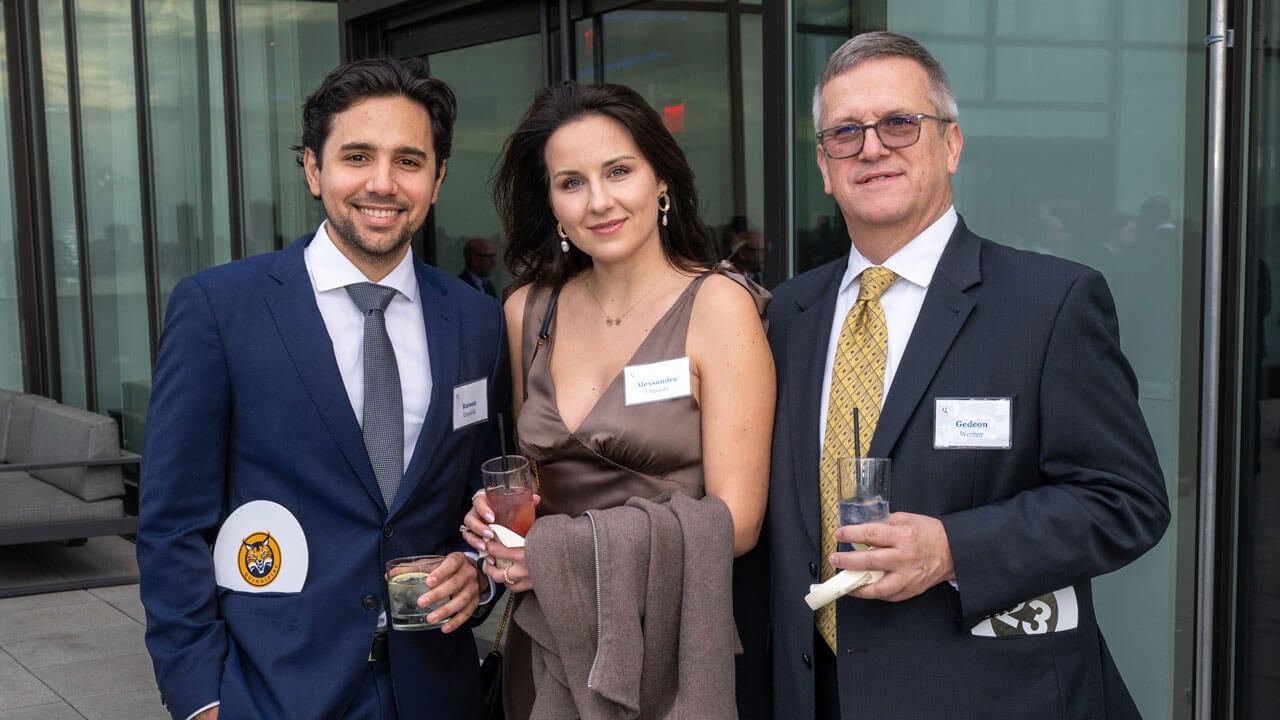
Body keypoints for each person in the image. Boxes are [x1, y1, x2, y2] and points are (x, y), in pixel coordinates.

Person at [759, 31, 1170, 720]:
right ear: (825, 168)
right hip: (816, 695)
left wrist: (954, 549)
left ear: (950, 146)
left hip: (987, 695)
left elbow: (1126, 501)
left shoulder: (1050, 304)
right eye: (845, 132)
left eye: (899, 123)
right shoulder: (788, 315)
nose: (871, 147)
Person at [136, 57, 509, 720]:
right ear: (313, 169)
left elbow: (486, 493)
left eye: (409, 161)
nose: (382, 182)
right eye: (357, 156)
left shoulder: (477, 320)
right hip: (273, 693)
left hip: (436, 690)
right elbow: (173, 526)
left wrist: (476, 570)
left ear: (437, 179)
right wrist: (201, 700)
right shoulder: (220, 309)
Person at [461, 81, 774, 719]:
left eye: (619, 171)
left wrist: (559, 554)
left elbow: (739, 523)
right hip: (547, 640)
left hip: (667, 651)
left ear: (662, 181)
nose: (599, 201)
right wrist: (496, 520)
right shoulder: (528, 312)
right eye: (571, 182)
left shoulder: (718, 305)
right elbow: (533, 480)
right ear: (552, 204)